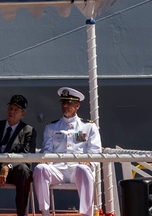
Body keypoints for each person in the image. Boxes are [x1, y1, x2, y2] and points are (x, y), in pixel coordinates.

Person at [33, 87, 102, 216]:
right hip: (57, 170)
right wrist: (46, 159)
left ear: (77, 106)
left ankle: (87, 214)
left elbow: (96, 151)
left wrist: (89, 162)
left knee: (84, 169)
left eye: (69, 103)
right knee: (40, 169)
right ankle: (45, 212)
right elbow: (47, 150)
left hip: (78, 169)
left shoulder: (89, 126)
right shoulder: (51, 127)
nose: (65, 105)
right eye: (63, 102)